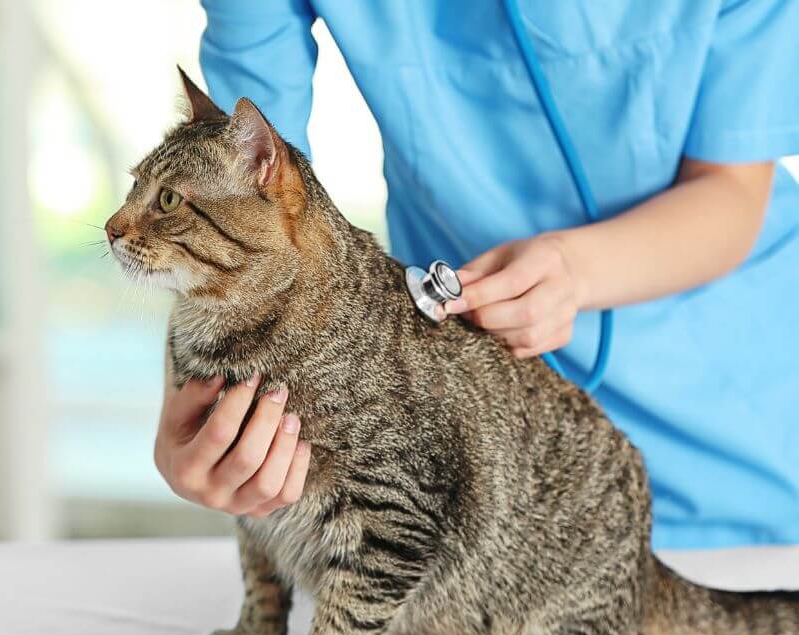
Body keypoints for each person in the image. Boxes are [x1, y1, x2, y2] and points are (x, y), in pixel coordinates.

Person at [154, 0, 799, 549]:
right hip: (453, 432)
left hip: (731, 429)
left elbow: (734, 188)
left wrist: (574, 270)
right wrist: (195, 415)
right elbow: (237, 201)